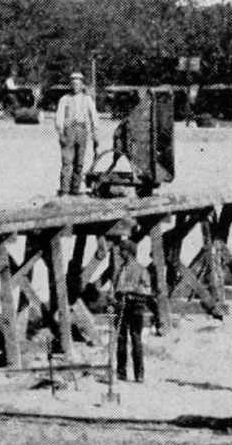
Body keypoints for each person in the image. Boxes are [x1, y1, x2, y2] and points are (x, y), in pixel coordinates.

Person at [108, 221, 160, 383]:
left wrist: (130, 292)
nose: (120, 253)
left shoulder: (140, 270)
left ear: (128, 252)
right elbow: (114, 288)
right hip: (122, 306)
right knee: (121, 339)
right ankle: (122, 373)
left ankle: (138, 374)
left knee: (135, 339)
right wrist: (113, 299)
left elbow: (147, 291)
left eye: (122, 250)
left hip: (135, 306)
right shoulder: (121, 270)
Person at [53, 71, 100, 196]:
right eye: (73, 84)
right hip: (69, 132)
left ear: (82, 85)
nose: (75, 86)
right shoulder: (65, 99)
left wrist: (95, 133)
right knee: (67, 161)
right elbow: (59, 117)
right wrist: (61, 133)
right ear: (70, 85)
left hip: (82, 131)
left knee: (79, 162)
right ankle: (64, 190)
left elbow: (94, 116)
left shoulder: (87, 99)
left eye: (78, 84)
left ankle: (75, 189)